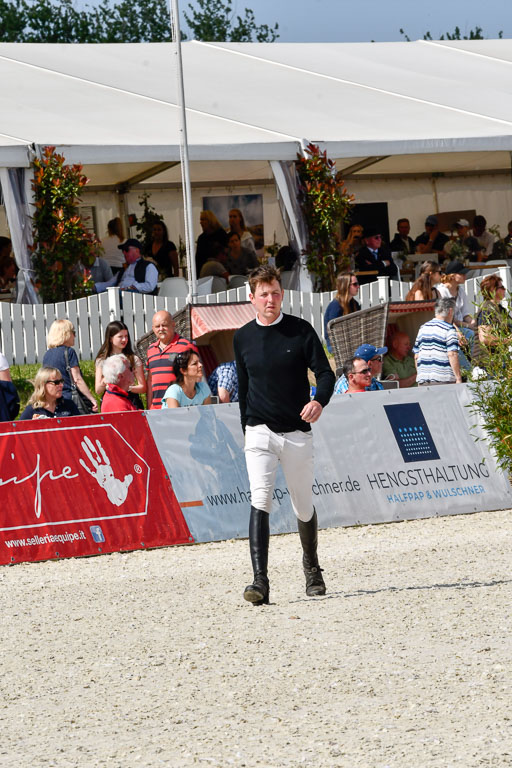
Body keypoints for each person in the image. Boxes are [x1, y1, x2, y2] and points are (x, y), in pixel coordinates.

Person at [234, 265, 335, 605]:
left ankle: (312, 568)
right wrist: (247, 426)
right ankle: (259, 580)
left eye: (275, 293)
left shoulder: (300, 331)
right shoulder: (242, 337)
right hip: (259, 431)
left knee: (302, 504)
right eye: (264, 294)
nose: (271, 299)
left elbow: (324, 373)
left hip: (296, 431)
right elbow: (244, 388)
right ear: (252, 298)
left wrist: (319, 400)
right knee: (259, 498)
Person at [146, 310, 198, 409]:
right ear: (153, 329)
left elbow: (198, 377)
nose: (161, 329)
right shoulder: (150, 350)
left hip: (179, 408)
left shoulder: (186, 346)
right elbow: (150, 380)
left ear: (173, 324)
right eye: (157, 326)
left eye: (164, 325)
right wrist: (149, 406)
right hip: (156, 409)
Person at [42, 319, 98, 412]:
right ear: (65, 334)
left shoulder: (47, 355)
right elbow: (77, 379)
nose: (75, 336)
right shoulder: (69, 352)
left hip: (53, 399)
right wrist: (91, 399)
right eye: (73, 332)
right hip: (69, 399)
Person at [95, 321, 146, 407]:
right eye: (120, 337)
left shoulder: (133, 359)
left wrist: (127, 388)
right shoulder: (102, 360)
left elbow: (143, 387)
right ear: (110, 338)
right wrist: (107, 380)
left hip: (130, 401)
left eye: (126, 336)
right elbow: (98, 390)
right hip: (111, 401)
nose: (124, 340)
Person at [413, 297, 462, 385]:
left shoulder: (423, 328)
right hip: (443, 379)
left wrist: (420, 375)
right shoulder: (449, 329)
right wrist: (458, 378)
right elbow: (452, 354)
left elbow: (416, 356)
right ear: (450, 311)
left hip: (423, 380)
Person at [473, 273, 512, 367]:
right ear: (492, 290)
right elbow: (485, 338)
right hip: (488, 363)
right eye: (501, 287)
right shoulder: (486, 310)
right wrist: (508, 340)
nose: (504, 290)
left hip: (500, 360)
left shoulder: (500, 309)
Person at [323, 272, 361, 353]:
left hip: (350, 342)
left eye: (358, 283)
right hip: (335, 345)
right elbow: (333, 331)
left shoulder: (354, 304)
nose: (358, 286)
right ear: (345, 286)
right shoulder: (336, 306)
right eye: (355, 284)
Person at [195, 211, 229, 277]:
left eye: (202, 219)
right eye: (200, 220)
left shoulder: (221, 234)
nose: (200, 222)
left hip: (221, 270)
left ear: (209, 220)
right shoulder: (201, 238)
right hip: (205, 271)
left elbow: (226, 253)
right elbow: (198, 259)